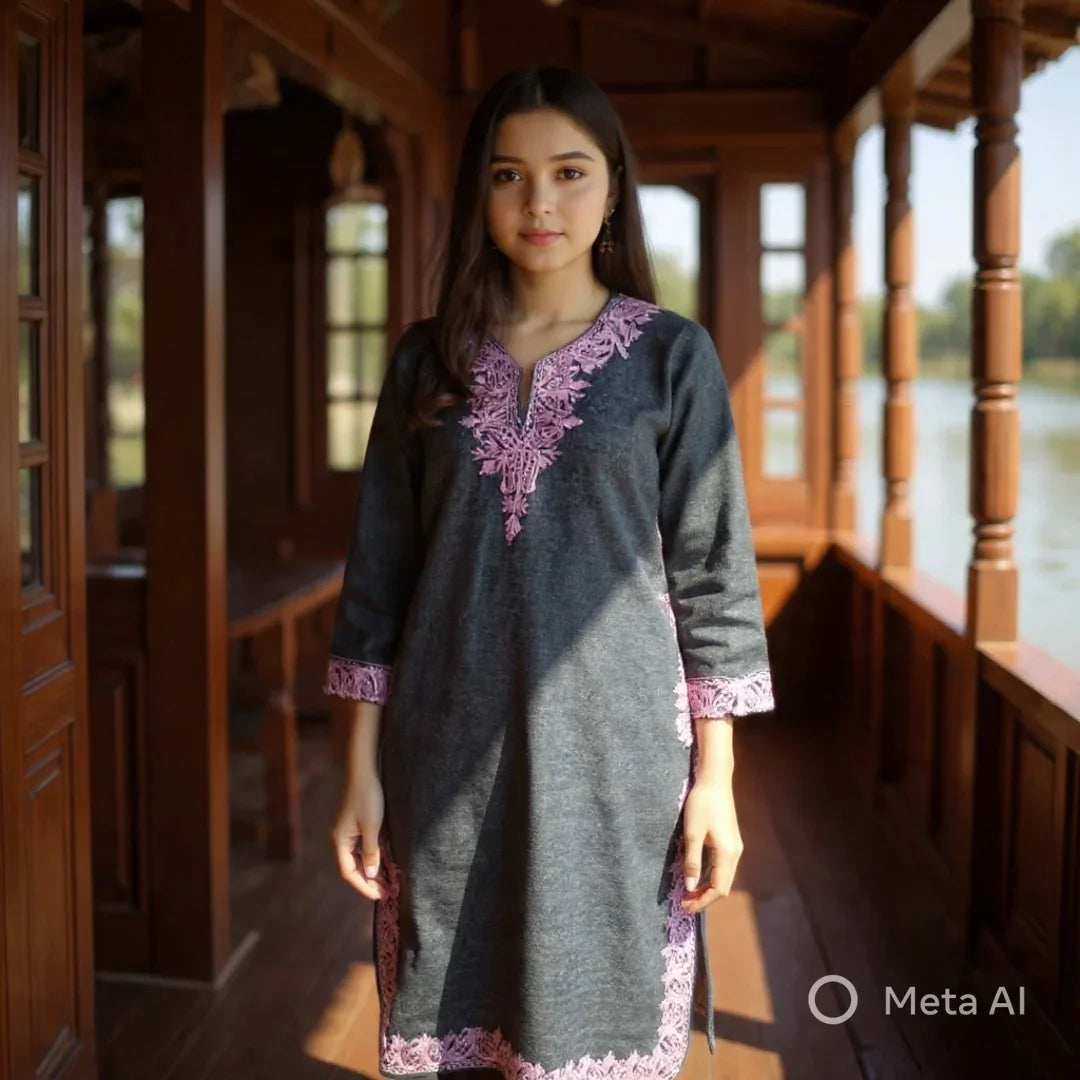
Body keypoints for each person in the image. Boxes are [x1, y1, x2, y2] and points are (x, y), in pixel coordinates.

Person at [324, 65, 775, 1080]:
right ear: (478, 195)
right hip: (442, 756)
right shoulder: (423, 362)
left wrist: (718, 780)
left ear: (613, 187)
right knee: (455, 1022)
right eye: (509, 176)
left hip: (618, 765)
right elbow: (377, 584)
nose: (540, 204)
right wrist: (357, 768)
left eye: (570, 173)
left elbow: (714, 584)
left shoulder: (672, 358)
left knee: (590, 1027)